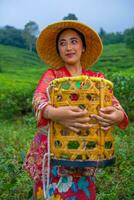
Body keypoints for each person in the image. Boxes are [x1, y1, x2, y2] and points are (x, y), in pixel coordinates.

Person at [23, 20, 128, 200]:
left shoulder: (96, 79)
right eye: (62, 43)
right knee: (50, 193)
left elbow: (116, 108)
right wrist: (55, 114)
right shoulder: (52, 76)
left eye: (74, 41)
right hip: (53, 150)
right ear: (58, 50)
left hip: (85, 152)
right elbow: (37, 99)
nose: (68, 47)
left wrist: (115, 116)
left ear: (83, 47)